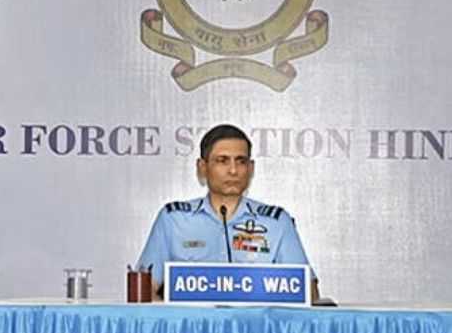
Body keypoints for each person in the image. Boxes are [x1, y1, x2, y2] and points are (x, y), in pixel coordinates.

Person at [136, 124, 317, 299]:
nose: (233, 170)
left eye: (241, 161)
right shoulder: (173, 219)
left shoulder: (277, 222)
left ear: (251, 168)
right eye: (222, 161)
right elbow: (142, 291)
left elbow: (308, 292)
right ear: (202, 167)